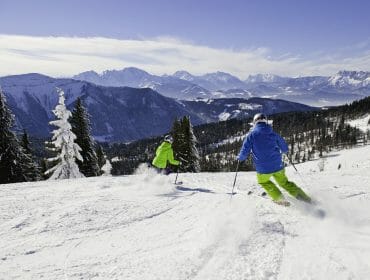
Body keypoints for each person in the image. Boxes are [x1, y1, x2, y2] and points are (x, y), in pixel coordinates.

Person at [237, 113, 311, 206]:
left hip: (263, 169)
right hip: (278, 166)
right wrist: (284, 150)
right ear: (266, 121)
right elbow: (284, 148)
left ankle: (279, 198)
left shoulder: (251, 136)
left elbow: (244, 151)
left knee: (264, 182)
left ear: (254, 123)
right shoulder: (273, 134)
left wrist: (240, 158)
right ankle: (304, 198)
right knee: (284, 183)